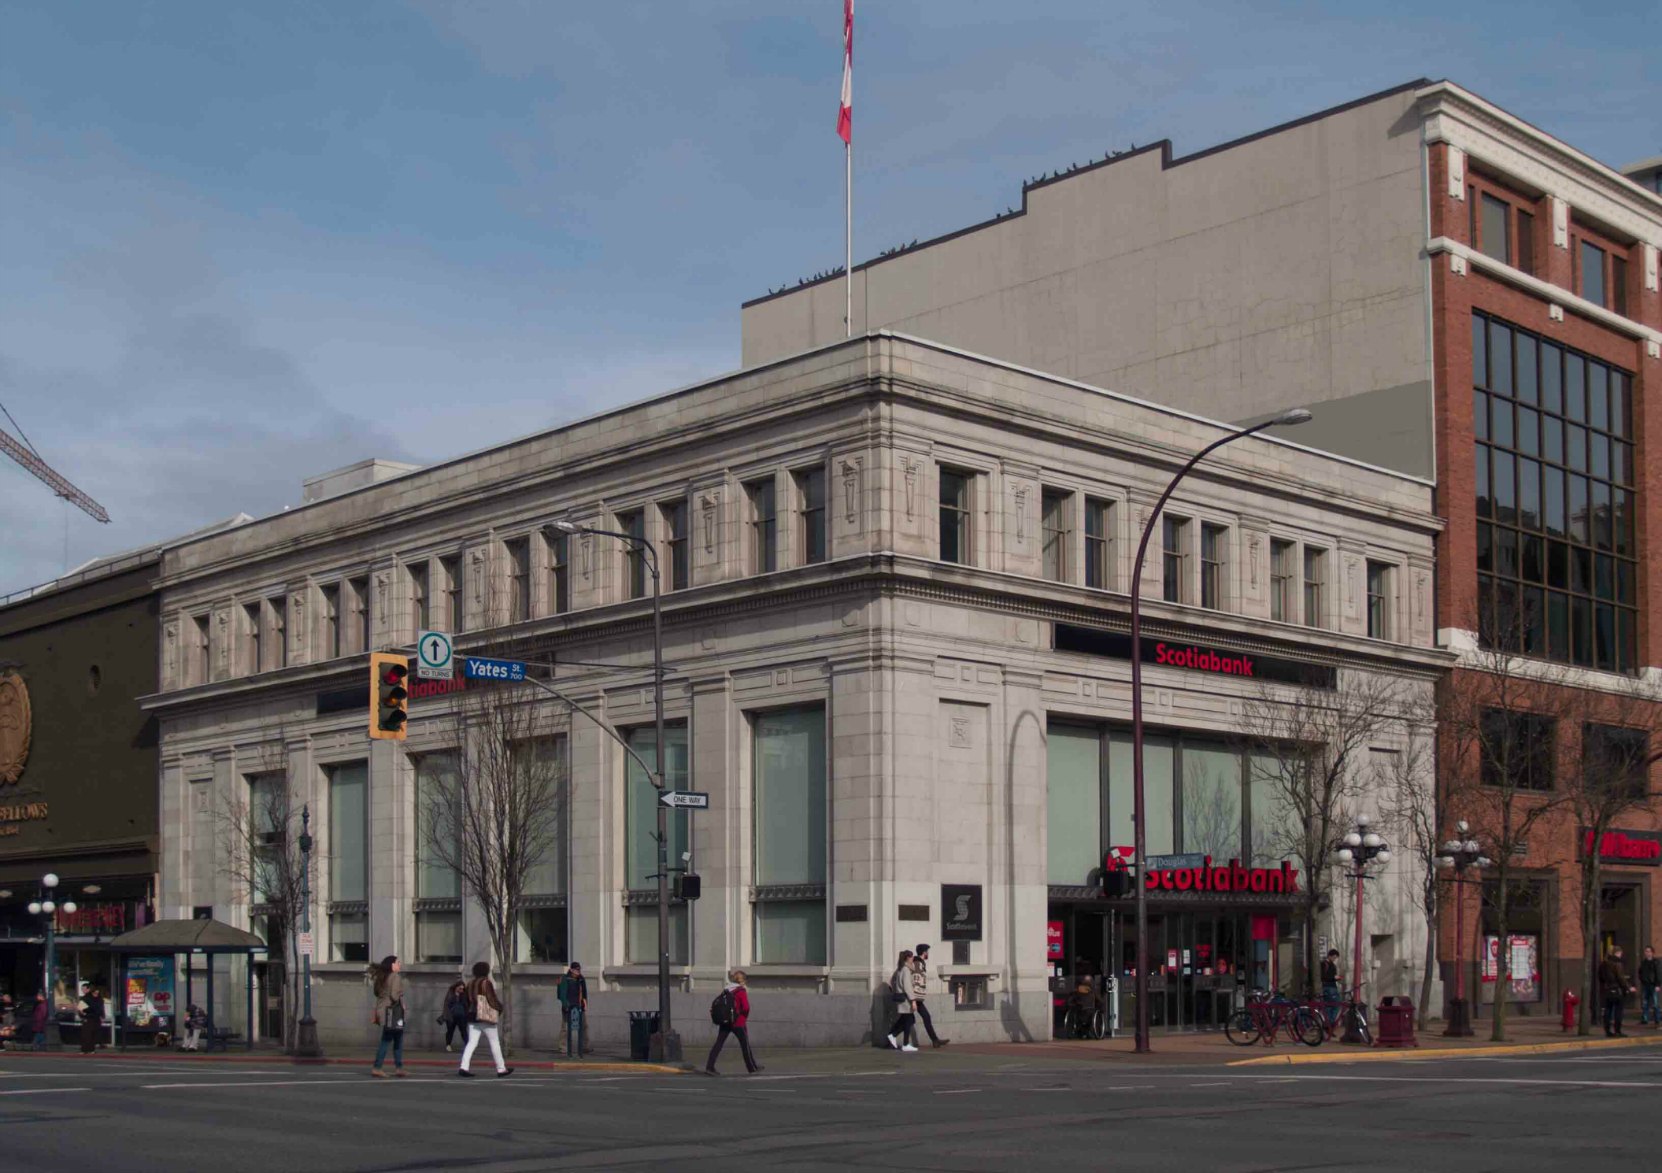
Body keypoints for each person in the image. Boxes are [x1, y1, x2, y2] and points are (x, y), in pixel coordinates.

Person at [458, 960, 512, 1078]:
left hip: (472, 1016)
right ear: (486, 971)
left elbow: (465, 1000)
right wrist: (499, 1008)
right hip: (486, 1017)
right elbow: (491, 999)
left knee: (471, 1042)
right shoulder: (486, 983)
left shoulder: (470, 983)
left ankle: (464, 1066)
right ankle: (501, 1068)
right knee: (494, 1042)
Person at [704, 969, 760, 1075]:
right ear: (742, 981)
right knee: (745, 1045)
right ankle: (752, 1067)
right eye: (745, 981)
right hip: (738, 1022)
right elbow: (746, 1007)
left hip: (725, 1022)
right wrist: (743, 1016)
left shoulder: (727, 989)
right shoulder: (741, 991)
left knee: (718, 1044)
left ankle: (709, 1067)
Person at [369, 955, 407, 1078]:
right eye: (398, 962)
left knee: (396, 1039)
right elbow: (395, 996)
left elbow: (376, 993)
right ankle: (378, 1067)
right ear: (392, 965)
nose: (399, 964)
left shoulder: (381, 977)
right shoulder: (395, 977)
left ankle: (399, 1067)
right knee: (389, 1040)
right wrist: (401, 993)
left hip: (382, 1010)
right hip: (392, 1012)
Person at [910, 944, 949, 1048]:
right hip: (915, 997)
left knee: (925, 1017)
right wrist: (916, 997)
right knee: (906, 1020)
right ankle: (891, 1035)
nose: (928, 953)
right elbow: (916, 979)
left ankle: (935, 1041)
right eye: (927, 951)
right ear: (924, 952)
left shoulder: (919, 963)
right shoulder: (918, 963)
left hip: (916, 998)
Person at [1598, 945, 1636, 1037]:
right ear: (1617, 953)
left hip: (1607, 990)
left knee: (1608, 1010)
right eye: (1620, 953)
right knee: (1618, 1011)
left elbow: (1600, 976)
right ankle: (1617, 1031)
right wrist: (1628, 988)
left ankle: (1607, 1030)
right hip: (1617, 989)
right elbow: (1620, 978)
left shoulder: (1603, 964)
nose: (1621, 955)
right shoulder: (1617, 963)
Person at [885, 950, 918, 1052]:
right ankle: (905, 1043)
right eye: (911, 957)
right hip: (906, 1000)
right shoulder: (906, 970)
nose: (913, 958)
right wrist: (913, 1000)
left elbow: (891, 982)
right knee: (909, 1021)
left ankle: (892, 1035)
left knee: (907, 1020)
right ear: (907, 958)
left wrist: (895, 991)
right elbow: (907, 987)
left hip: (901, 998)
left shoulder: (899, 969)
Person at [557, 962, 589, 1059]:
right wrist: (565, 1005)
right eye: (576, 970)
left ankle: (584, 1046)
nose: (578, 972)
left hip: (579, 1006)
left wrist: (585, 1004)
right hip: (568, 1006)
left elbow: (584, 993)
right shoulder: (565, 979)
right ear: (571, 970)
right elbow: (562, 994)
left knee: (584, 1026)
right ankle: (563, 1047)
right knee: (565, 1027)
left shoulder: (581, 979)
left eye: (579, 970)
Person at [440, 980, 470, 1052]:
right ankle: (448, 1045)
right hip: (451, 1016)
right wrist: (446, 1015)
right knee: (450, 1031)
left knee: (463, 1031)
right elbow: (447, 1004)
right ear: (456, 987)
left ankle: (467, 1045)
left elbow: (467, 1004)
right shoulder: (451, 993)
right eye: (460, 988)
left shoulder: (464, 994)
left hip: (462, 1016)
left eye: (463, 989)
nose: (461, 990)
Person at [78, 984, 104, 1054]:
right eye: (82, 989)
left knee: (91, 1034)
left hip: (93, 1018)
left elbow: (99, 1009)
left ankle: (89, 1049)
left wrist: (85, 1014)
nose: (83, 990)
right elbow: (81, 1010)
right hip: (89, 1018)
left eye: (84, 989)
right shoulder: (85, 998)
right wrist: (83, 1014)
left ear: (89, 989)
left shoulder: (96, 999)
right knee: (87, 1034)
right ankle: (86, 1049)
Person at [1638, 945, 1659, 1029]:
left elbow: (1658, 973)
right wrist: (1642, 980)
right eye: (1646, 951)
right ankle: (1645, 1019)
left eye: (1649, 951)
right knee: (1645, 1003)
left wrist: (1658, 984)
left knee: (1655, 1003)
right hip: (1645, 984)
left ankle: (1657, 1019)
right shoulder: (1643, 962)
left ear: (1652, 953)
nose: (1647, 953)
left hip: (1653, 985)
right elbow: (1640, 972)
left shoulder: (1655, 962)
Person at [1320, 949, 1342, 1026]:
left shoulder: (1332, 965)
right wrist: (1334, 977)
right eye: (1334, 957)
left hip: (1331, 986)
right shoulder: (1324, 964)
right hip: (1329, 987)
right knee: (1336, 1004)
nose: (1334, 959)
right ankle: (1330, 1022)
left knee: (1329, 1006)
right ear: (1329, 956)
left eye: (1335, 958)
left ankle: (1327, 1024)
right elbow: (1323, 976)